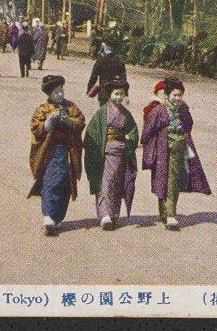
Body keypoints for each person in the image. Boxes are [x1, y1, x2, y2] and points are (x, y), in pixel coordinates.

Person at [140, 77, 211, 230]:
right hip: (162, 148)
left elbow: (189, 123)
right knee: (161, 179)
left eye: (180, 95)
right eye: (174, 95)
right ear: (167, 94)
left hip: (179, 147)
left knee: (173, 179)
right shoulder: (158, 110)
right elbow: (147, 132)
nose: (177, 99)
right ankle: (164, 211)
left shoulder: (183, 109)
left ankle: (171, 214)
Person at [28, 75, 86, 236]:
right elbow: (35, 127)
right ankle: (48, 215)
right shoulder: (43, 109)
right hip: (50, 152)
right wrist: (48, 123)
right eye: (55, 92)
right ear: (49, 94)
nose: (59, 95)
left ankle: (58, 216)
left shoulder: (71, 107)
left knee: (65, 184)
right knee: (50, 181)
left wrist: (69, 122)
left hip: (67, 151)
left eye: (61, 91)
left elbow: (80, 121)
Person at [83, 78, 139, 230]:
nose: (118, 97)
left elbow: (133, 132)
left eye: (121, 94)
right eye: (116, 94)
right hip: (105, 153)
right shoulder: (102, 113)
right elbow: (92, 132)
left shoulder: (126, 114)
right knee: (105, 183)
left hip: (121, 152)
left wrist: (129, 141)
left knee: (116, 184)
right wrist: (95, 148)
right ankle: (104, 215)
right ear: (109, 95)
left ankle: (113, 214)